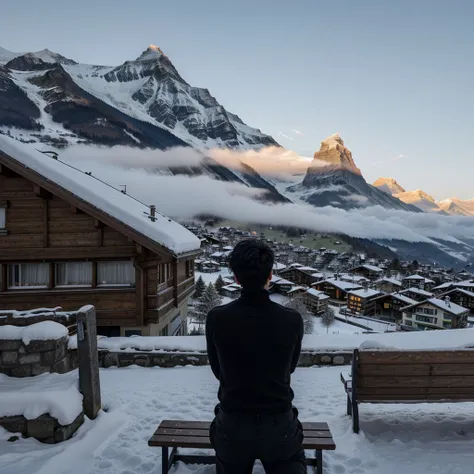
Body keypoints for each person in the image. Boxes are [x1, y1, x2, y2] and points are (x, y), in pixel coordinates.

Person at [206, 239, 305, 474]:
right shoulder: (291, 320)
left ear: (236, 278)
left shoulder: (217, 318)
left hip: (232, 426)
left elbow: (218, 369)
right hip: (280, 427)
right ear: (270, 275)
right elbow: (289, 367)